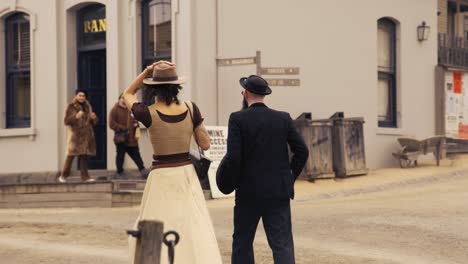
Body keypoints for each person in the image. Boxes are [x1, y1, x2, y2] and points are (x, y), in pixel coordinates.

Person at [124, 61, 222, 263]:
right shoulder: (192, 109)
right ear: (177, 86)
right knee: (192, 222)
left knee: (158, 219)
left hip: (160, 174)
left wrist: (146, 72)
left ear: (153, 89)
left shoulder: (147, 113)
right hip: (186, 173)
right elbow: (205, 144)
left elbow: (127, 93)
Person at [226, 75, 309, 264]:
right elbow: (302, 151)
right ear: (265, 95)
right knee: (282, 244)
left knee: (242, 243)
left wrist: (230, 182)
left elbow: (233, 157)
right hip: (278, 190)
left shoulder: (237, 118)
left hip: (248, 191)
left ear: (245, 93)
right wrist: (289, 176)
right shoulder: (283, 118)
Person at [58, 89, 98, 183]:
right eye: (80, 95)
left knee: (84, 157)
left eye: (83, 96)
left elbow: (92, 122)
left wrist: (94, 118)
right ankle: (63, 176)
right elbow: (66, 121)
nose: (81, 97)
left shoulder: (88, 107)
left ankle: (85, 177)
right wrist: (75, 117)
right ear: (76, 96)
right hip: (75, 136)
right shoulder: (71, 107)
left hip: (86, 136)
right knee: (70, 156)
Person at [109, 94, 149, 180]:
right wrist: (122, 128)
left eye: (125, 99)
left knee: (136, 155)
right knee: (120, 155)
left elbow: (136, 120)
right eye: (122, 98)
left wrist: (136, 124)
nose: (124, 100)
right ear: (119, 99)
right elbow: (111, 124)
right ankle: (119, 172)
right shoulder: (114, 110)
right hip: (121, 138)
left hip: (131, 138)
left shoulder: (131, 110)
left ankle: (143, 170)